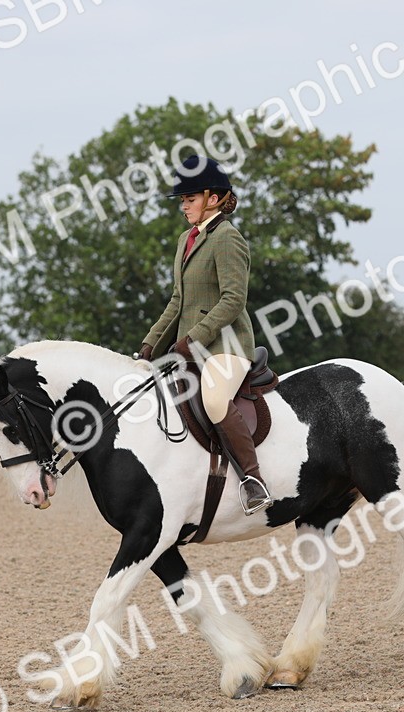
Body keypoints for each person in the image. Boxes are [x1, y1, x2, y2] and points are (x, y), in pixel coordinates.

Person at [137, 156, 271, 514]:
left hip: (226, 347)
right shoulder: (186, 240)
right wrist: (151, 343)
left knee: (213, 400)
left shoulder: (228, 238)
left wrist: (194, 338)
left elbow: (233, 299)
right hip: (189, 346)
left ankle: (253, 478)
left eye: (189, 199)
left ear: (213, 198)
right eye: (182, 201)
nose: (183, 207)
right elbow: (178, 301)